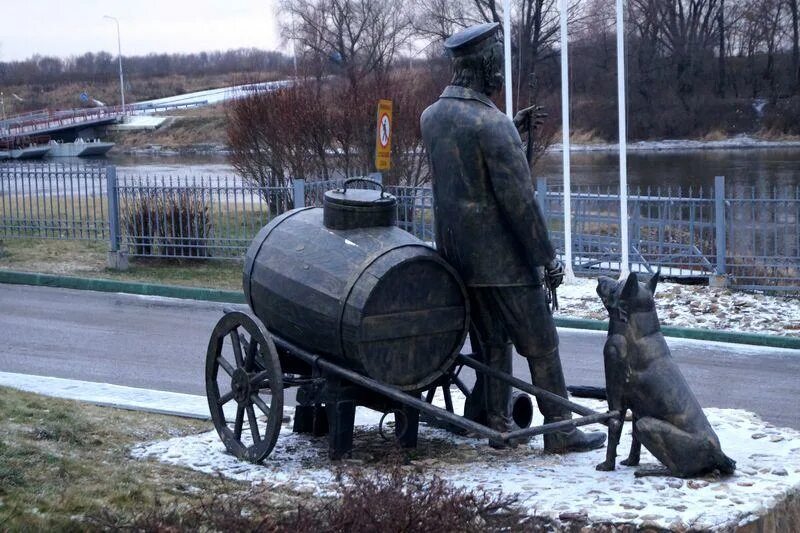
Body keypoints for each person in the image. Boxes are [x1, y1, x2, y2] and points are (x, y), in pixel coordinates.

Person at [420, 22, 605, 453]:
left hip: (457, 258)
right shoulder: (492, 125)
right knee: (542, 343)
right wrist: (548, 259)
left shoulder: (433, 117)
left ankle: (497, 422)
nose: (501, 72)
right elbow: (520, 205)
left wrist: (511, 130)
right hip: (503, 262)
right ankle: (559, 428)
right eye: (497, 62)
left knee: (490, 344)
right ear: (485, 66)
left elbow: (470, 174)